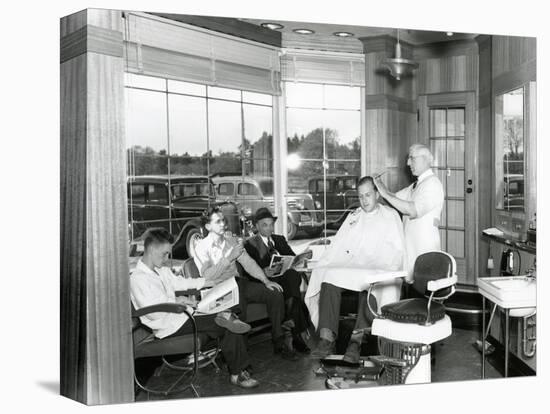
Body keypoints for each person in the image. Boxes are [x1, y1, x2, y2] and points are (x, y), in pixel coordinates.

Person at [130, 227, 259, 389]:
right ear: (151, 250)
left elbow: (180, 283)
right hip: (169, 327)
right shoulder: (138, 279)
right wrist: (178, 301)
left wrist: (207, 283)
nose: (167, 258)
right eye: (165, 254)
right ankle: (238, 371)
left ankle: (238, 370)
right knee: (226, 320)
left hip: (184, 317)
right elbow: (154, 313)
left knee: (227, 322)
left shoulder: (160, 270)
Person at [308, 176, 405, 363]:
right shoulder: (354, 217)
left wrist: (385, 265)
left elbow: (396, 250)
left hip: (378, 266)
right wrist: (328, 261)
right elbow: (338, 245)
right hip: (352, 266)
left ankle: (355, 342)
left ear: (377, 194)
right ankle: (326, 339)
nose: (364, 200)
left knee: (372, 285)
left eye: (368, 195)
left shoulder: (390, 216)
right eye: (360, 196)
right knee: (328, 277)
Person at [193, 206, 299, 361]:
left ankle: (279, 342)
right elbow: (207, 275)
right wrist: (229, 258)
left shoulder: (231, 241)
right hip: (219, 289)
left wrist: (266, 280)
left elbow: (249, 263)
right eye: (218, 221)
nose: (223, 224)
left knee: (274, 293)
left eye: (223, 220)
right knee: (239, 305)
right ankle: (239, 358)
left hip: (238, 283)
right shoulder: (202, 247)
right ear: (208, 226)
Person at [243, 207, 313, 353]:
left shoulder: (279, 239)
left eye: (271, 224)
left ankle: (291, 328)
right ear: (257, 226)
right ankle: (297, 335)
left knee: (292, 275)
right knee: (294, 295)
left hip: (284, 278)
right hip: (265, 282)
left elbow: (292, 258)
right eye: (265, 225)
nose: (269, 228)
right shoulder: (250, 244)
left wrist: (302, 257)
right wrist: (263, 272)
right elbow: (247, 272)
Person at [374, 143, 445, 278]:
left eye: (412, 158)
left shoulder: (433, 184)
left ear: (425, 159)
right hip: (412, 250)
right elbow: (393, 198)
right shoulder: (416, 185)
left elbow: (413, 210)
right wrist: (379, 185)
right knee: (414, 289)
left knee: (426, 291)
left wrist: (385, 193)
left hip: (425, 250)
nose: (407, 163)